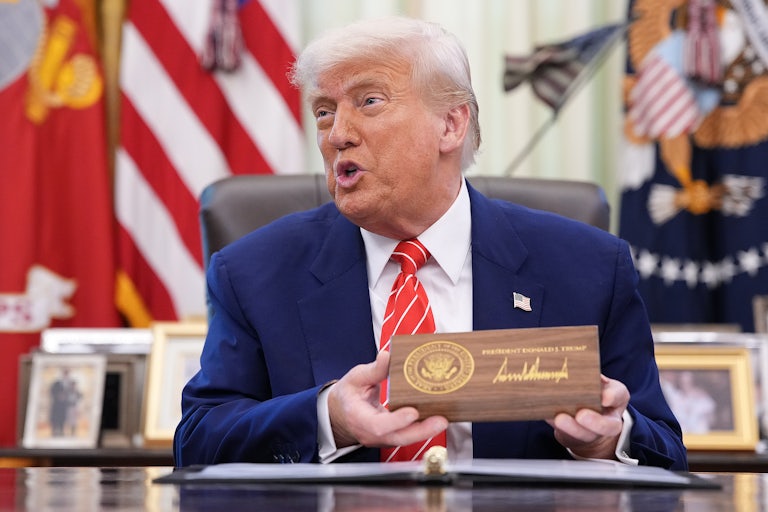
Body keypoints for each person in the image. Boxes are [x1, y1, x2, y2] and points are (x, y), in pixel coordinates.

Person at [174, 16, 687, 470]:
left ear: (451, 124)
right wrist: (328, 418)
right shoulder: (253, 272)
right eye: (324, 111)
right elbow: (196, 442)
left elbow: (667, 451)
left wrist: (609, 439)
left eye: (369, 101)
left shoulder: (589, 267)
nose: (337, 134)